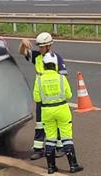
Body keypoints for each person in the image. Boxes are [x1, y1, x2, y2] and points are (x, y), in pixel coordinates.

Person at [19, 32, 68, 160]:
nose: (40, 49)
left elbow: (62, 77)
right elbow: (22, 52)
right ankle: (38, 149)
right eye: (39, 46)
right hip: (41, 95)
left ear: (48, 46)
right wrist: (23, 43)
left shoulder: (57, 58)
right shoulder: (37, 57)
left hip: (54, 96)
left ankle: (60, 147)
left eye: (42, 47)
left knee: (56, 123)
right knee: (40, 124)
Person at [33, 53, 83, 174]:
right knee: (66, 137)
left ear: (44, 65)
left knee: (50, 138)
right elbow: (69, 95)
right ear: (55, 65)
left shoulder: (39, 79)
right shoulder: (61, 78)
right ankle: (73, 165)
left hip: (47, 111)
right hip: (62, 109)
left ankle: (51, 167)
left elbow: (37, 98)